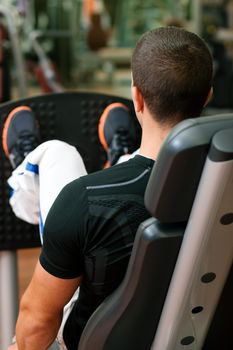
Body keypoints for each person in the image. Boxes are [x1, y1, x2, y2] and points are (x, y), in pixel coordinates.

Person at [3, 26, 213, 350]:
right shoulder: (222, 187)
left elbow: (38, 319)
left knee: (58, 153)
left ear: (137, 97)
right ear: (208, 96)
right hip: (195, 330)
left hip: (95, 339)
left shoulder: (85, 199)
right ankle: (121, 155)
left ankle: (28, 160)